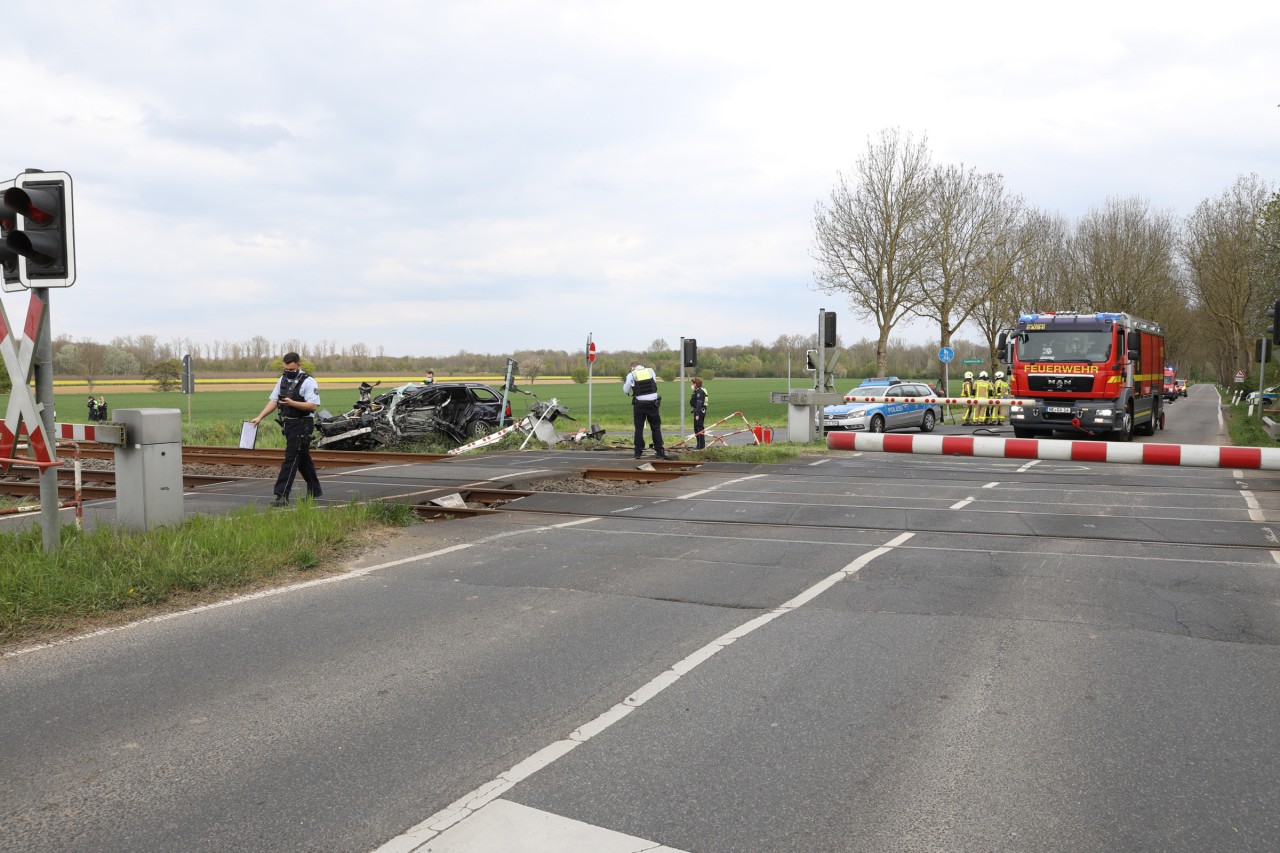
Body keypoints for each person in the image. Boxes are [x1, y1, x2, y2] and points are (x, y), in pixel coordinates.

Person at [251, 352, 323, 507]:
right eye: (286, 369)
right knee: (303, 458)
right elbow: (274, 400)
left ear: (298, 366)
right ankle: (315, 489)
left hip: (303, 424)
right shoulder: (282, 379)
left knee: (291, 459)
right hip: (289, 424)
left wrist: (292, 403)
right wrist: (260, 417)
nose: (288, 372)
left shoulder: (309, 382)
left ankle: (281, 495)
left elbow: (313, 405)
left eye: (291, 370)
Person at [623, 360, 666, 459]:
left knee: (639, 428)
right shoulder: (650, 371)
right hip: (653, 404)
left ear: (632, 367)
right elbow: (654, 384)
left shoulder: (631, 374)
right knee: (655, 427)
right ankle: (659, 451)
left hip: (640, 404)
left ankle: (638, 452)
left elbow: (626, 390)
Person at [689, 377, 708, 450]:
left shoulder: (700, 391)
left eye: (693, 383)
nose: (692, 385)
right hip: (698, 411)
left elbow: (699, 403)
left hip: (699, 411)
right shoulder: (697, 391)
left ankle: (700, 446)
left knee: (699, 428)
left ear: (696, 384)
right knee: (696, 428)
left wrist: (697, 414)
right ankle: (699, 444)